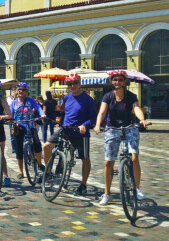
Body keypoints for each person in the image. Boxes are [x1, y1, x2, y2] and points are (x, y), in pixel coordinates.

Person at [94, 70, 150, 205]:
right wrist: (97, 125)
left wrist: (142, 120)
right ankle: (107, 194)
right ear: (111, 81)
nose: (117, 82)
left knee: (134, 157)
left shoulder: (131, 96)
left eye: (120, 80)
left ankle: (136, 188)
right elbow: (102, 112)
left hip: (129, 127)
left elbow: (136, 108)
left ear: (124, 81)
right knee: (109, 162)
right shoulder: (107, 96)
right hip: (112, 128)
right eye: (115, 80)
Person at [43, 74, 97, 195]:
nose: (73, 86)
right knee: (46, 146)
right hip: (65, 129)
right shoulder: (67, 97)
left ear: (79, 83)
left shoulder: (88, 99)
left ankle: (83, 184)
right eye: (70, 84)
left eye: (75, 83)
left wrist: (85, 125)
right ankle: (48, 173)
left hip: (80, 132)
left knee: (85, 158)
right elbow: (66, 113)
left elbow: (93, 117)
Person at [10, 82, 45, 180]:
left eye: (23, 90)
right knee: (19, 149)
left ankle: (39, 163)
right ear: (17, 91)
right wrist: (8, 119)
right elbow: (10, 114)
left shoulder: (30, 101)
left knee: (37, 143)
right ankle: (21, 172)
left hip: (30, 125)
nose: (21, 91)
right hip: (18, 126)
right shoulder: (14, 103)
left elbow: (38, 108)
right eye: (20, 89)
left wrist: (42, 114)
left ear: (26, 91)